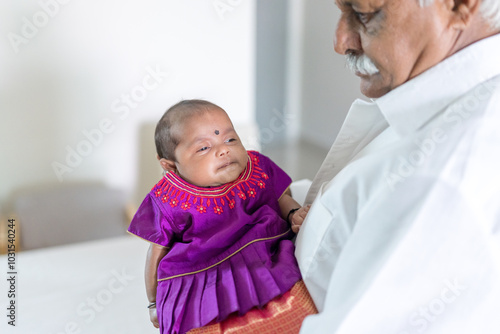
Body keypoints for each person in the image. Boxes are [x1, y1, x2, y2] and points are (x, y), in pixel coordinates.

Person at [295, 0, 500, 333]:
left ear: (459, 5)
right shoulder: (434, 89)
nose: (341, 42)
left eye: (364, 15)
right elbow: (363, 197)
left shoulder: (443, 181)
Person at [128, 99, 315, 334]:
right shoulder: (168, 199)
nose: (223, 149)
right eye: (204, 148)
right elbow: (156, 251)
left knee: (293, 307)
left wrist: (294, 212)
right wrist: (153, 302)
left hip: (263, 256)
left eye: (230, 139)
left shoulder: (257, 167)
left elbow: (278, 196)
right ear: (171, 167)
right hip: (197, 277)